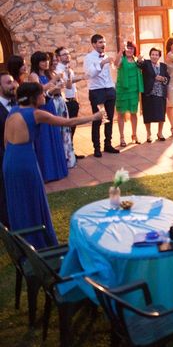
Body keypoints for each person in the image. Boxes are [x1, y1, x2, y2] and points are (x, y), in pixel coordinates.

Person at [3, 82, 102, 248]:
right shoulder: (35, 114)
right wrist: (94, 117)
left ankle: (22, 242)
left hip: (9, 160)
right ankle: (38, 243)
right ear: (33, 98)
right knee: (33, 199)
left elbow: (5, 141)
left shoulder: (12, 111)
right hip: (25, 161)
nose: (44, 96)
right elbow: (67, 122)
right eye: (41, 94)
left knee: (18, 201)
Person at [28, 51, 68, 181]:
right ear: (36, 63)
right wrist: (54, 80)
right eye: (43, 61)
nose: (46, 63)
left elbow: (49, 91)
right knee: (44, 138)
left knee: (54, 136)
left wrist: (57, 88)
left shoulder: (46, 73)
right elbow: (38, 90)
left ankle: (57, 170)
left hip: (50, 105)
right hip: (41, 108)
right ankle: (47, 172)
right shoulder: (33, 75)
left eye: (47, 60)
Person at [83, 34, 119, 157]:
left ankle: (108, 144)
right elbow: (90, 74)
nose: (103, 44)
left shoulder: (107, 56)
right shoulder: (88, 58)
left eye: (104, 42)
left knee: (109, 119)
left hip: (109, 89)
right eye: (99, 42)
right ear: (93, 44)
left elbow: (112, 71)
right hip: (97, 91)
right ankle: (96, 148)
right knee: (98, 119)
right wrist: (102, 63)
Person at [55, 46, 85, 158]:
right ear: (58, 57)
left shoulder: (69, 69)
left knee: (72, 128)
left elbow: (73, 87)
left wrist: (77, 100)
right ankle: (66, 154)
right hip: (65, 102)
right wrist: (80, 77)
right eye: (64, 54)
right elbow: (67, 86)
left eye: (68, 53)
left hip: (73, 101)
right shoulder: (58, 70)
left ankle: (71, 152)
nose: (67, 55)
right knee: (67, 129)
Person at [137, 48, 170, 142]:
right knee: (148, 115)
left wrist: (163, 79)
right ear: (150, 55)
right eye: (152, 54)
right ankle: (149, 134)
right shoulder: (146, 63)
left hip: (160, 93)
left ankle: (160, 133)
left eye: (156, 55)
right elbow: (139, 64)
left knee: (161, 114)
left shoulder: (163, 66)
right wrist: (139, 60)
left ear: (159, 56)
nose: (154, 56)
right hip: (148, 93)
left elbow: (168, 78)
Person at [114, 41, 143, 146]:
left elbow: (142, 68)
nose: (129, 50)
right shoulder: (122, 59)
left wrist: (141, 61)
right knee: (121, 113)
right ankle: (122, 137)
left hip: (134, 90)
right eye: (128, 48)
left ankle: (134, 135)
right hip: (122, 90)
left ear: (134, 50)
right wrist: (120, 50)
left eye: (131, 48)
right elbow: (115, 63)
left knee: (133, 113)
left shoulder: (137, 61)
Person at [0, 72, 17, 227]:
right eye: (8, 83)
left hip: (18, 155)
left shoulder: (17, 103)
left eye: (13, 82)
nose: (13, 85)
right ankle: (8, 225)